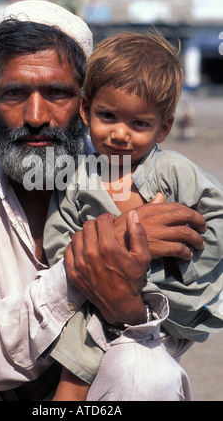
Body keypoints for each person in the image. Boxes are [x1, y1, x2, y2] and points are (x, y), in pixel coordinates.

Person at [0, 0, 207, 401]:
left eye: (57, 92)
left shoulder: (138, 179)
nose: (36, 115)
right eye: (14, 93)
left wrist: (130, 311)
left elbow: (176, 330)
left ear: (84, 103)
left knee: (146, 370)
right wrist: (90, 263)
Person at [43, 31, 223, 400]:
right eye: (107, 116)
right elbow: (58, 237)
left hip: (167, 304)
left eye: (139, 124)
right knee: (80, 340)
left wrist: (172, 259)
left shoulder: (173, 172)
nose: (120, 134)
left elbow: (216, 220)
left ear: (164, 127)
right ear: (85, 109)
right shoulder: (77, 177)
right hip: (97, 297)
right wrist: (96, 255)